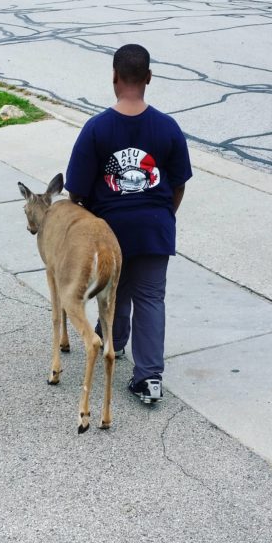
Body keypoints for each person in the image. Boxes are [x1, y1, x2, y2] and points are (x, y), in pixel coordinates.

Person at [65, 44, 192, 404]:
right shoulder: (167, 127)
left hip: (110, 229)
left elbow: (75, 191)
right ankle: (149, 378)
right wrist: (163, 215)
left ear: (114, 78)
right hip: (155, 226)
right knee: (150, 297)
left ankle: (113, 344)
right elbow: (179, 183)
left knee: (112, 290)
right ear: (149, 78)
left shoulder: (97, 129)